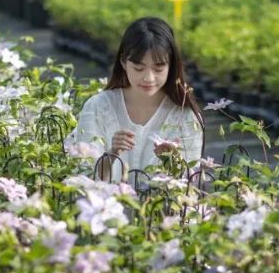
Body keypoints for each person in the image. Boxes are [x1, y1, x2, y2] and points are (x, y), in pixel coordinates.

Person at [66, 17, 205, 181]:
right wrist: (111, 155)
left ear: (171, 66)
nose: (149, 78)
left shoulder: (185, 116)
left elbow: (188, 187)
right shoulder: (98, 106)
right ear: (124, 62)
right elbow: (84, 176)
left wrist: (172, 162)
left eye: (159, 68)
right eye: (139, 68)